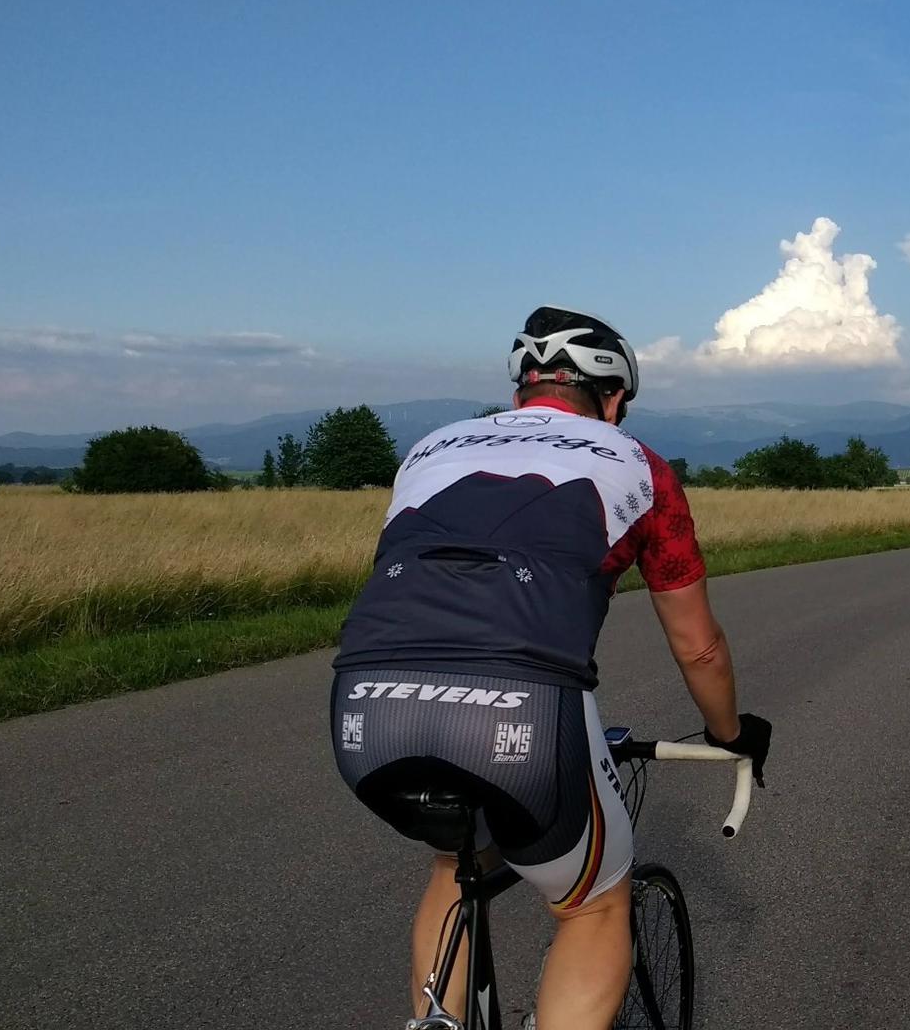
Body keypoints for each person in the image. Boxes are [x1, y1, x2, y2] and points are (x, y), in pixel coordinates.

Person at [330, 305, 772, 1029]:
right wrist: (731, 734)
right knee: (594, 906)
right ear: (615, 399)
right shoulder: (639, 465)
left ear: (520, 392)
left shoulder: (431, 448)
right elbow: (698, 645)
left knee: (456, 862)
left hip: (363, 705)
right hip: (523, 707)